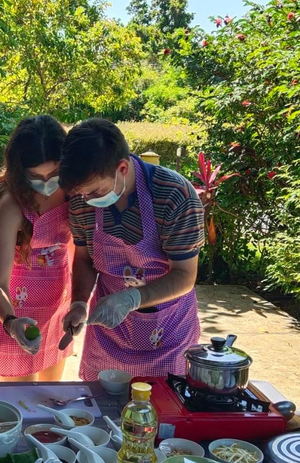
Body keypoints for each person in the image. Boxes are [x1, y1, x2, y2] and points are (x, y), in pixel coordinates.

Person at [58, 119, 204, 380]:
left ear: (122, 168)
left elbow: (184, 275)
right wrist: (79, 302)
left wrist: (131, 299)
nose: (87, 200)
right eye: (81, 193)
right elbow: (84, 259)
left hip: (167, 327)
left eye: (94, 191)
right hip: (109, 331)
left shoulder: (174, 195)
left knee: (161, 408)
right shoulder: (82, 199)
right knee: (100, 409)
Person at [0, 115, 74, 381]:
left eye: (54, 174)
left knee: (51, 398)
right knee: (18, 403)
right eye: (35, 177)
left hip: (57, 308)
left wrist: (78, 302)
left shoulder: (73, 192)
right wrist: (11, 322)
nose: (46, 184)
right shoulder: (11, 202)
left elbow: (79, 252)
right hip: (13, 309)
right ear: (20, 171)